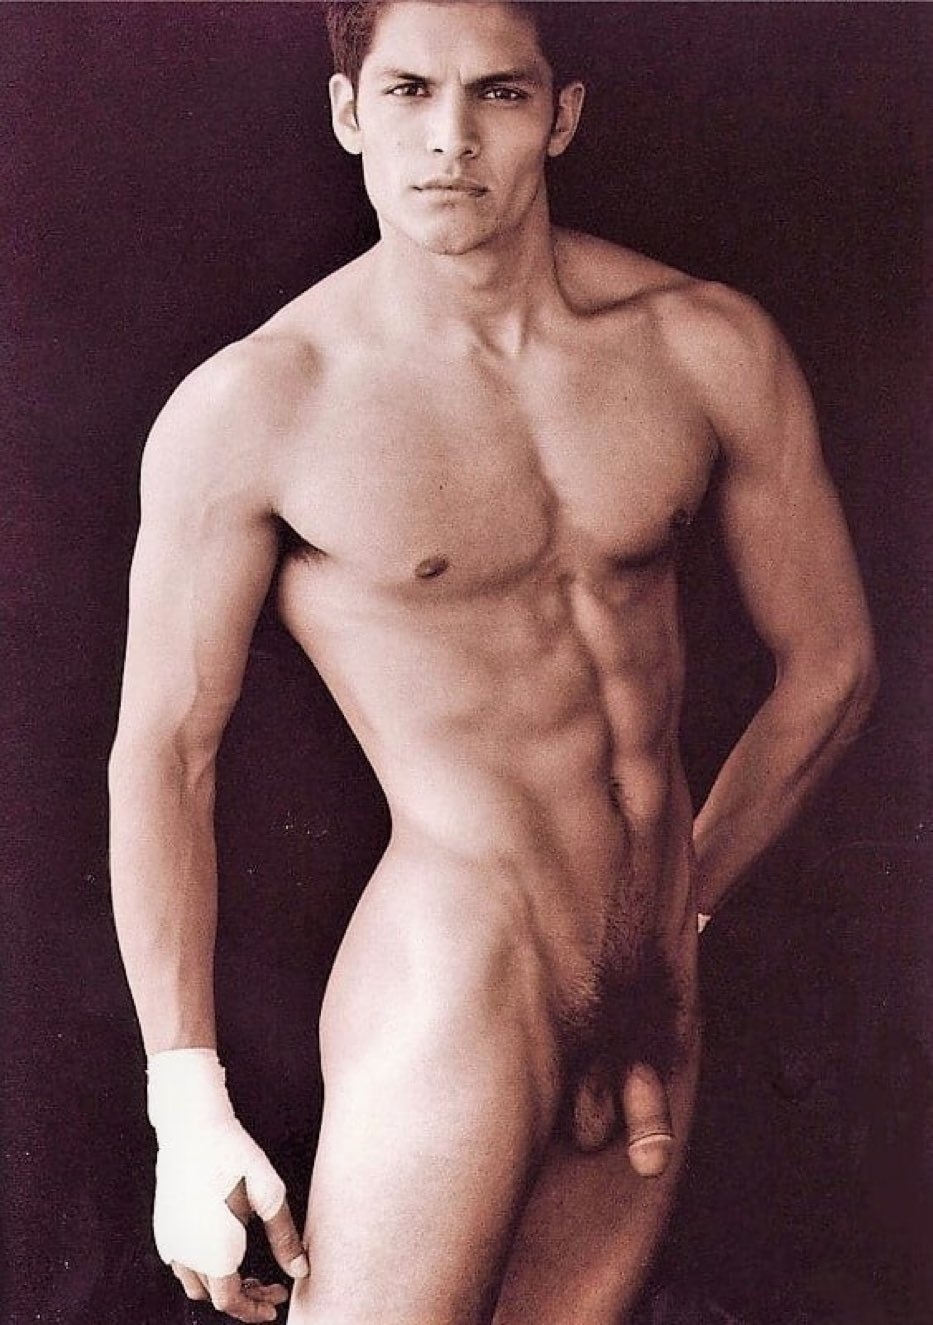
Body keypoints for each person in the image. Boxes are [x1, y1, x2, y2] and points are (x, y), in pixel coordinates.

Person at [107, 3, 878, 1322]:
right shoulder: (261, 403)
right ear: (349, 113)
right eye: (409, 91)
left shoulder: (702, 344)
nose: (449, 139)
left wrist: (679, 920)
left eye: (498, 94)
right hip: (459, 968)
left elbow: (833, 668)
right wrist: (186, 1101)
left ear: (560, 116)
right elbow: (165, 752)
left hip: (651, 986)